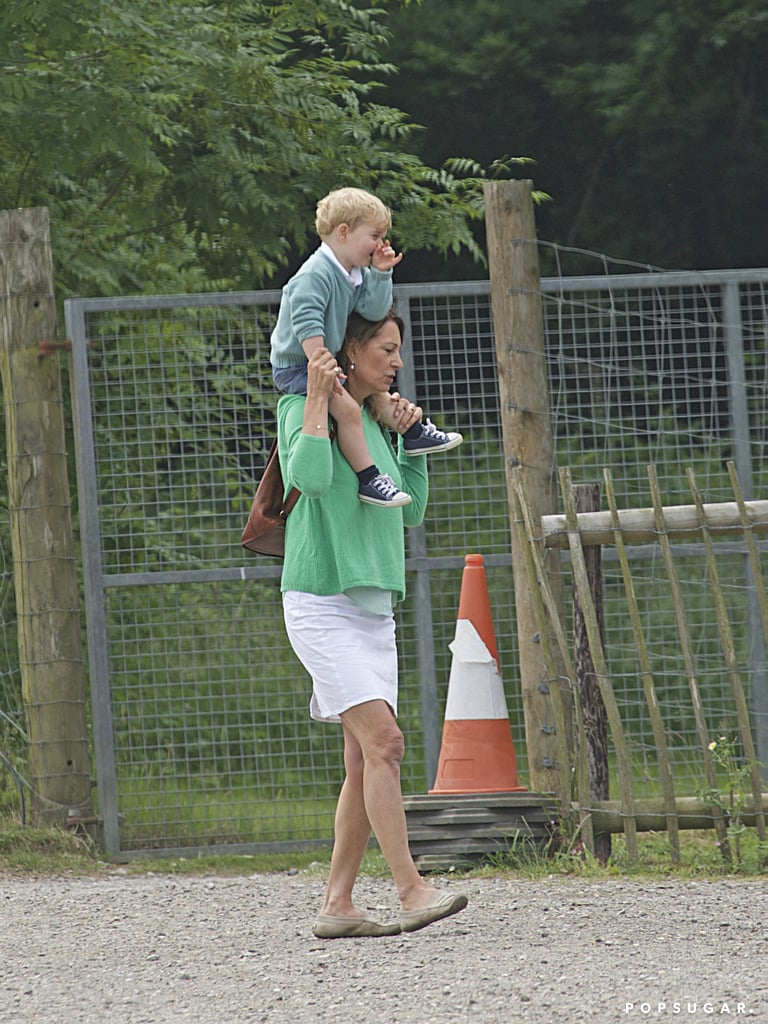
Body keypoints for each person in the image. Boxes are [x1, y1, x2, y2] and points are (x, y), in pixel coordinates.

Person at [277, 309, 469, 938]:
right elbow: (306, 478)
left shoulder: (380, 422)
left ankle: (337, 904)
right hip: (320, 601)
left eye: (397, 350)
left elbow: (409, 514)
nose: (396, 362)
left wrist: (410, 441)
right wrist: (315, 401)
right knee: (385, 744)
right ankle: (412, 890)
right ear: (350, 351)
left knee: (363, 762)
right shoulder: (303, 412)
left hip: (372, 608)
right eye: (385, 349)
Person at [270, 186, 462, 509]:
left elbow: (374, 312)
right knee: (347, 410)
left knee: (376, 396)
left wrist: (381, 274)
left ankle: (412, 431)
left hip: (324, 359)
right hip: (300, 367)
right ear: (343, 232)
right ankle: (369, 477)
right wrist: (322, 365)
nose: (380, 244)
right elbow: (306, 318)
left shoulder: (353, 274)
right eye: (374, 235)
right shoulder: (315, 274)